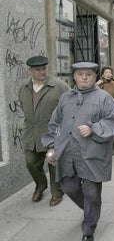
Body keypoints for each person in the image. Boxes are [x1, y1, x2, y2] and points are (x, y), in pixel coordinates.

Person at [41, 62, 114, 241]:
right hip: (67, 153)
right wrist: (52, 146)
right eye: (80, 74)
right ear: (74, 76)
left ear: (95, 77)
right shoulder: (66, 97)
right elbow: (54, 123)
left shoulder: (104, 98)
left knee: (92, 192)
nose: (84, 77)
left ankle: (88, 229)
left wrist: (94, 128)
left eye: (89, 74)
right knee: (68, 186)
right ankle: (91, 209)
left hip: (92, 155)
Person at [18, 55, 70, 206]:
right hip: (31, 134)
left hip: (53, 133)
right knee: (31, 163)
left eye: (44, 68)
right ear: (30, 70)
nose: (42, 72)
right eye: (38, 70)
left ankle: (57, 192)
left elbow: (70, 105)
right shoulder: (24, 87)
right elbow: (23, 107)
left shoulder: (59, 86)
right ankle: (40, 185)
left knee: (53, 164)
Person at [96, 66, 114, 151]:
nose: (109, 74)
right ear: (102, 75)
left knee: (113, 128)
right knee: (103, 128)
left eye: (110, 73)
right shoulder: (99, 84)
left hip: (113, 109)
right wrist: (96, 84)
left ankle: (112, 148)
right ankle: (103, 147)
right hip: (101, 109)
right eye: (106, 73)